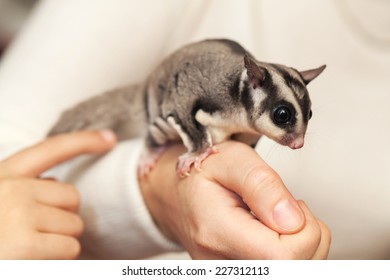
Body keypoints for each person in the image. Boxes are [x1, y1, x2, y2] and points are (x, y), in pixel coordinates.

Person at [0, 0, 331, 259]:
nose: (298, 142)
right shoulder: (219, 96)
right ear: (255, 84)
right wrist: (160, 183)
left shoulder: (252, 104)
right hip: (165, 97)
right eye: (284, 117)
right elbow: (188, 110)